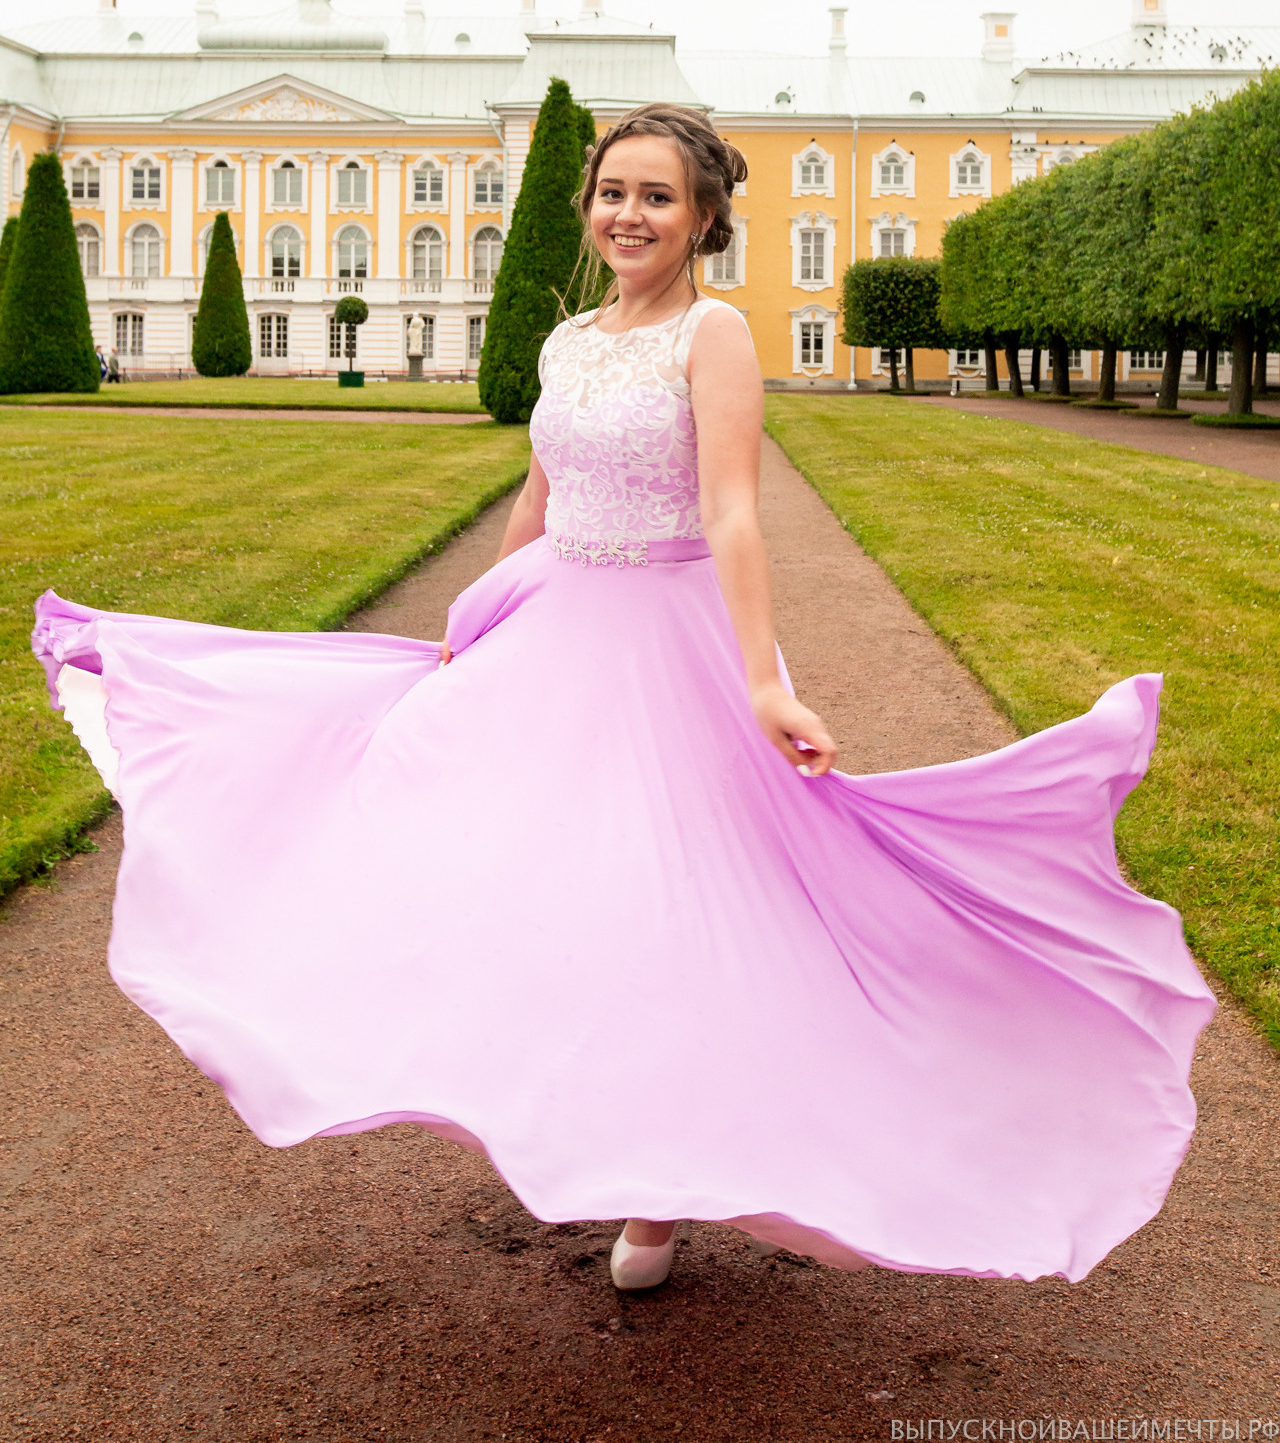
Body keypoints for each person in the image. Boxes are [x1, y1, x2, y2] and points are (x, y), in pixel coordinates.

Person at [33, 102, 1213, 1296]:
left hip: (668, 643)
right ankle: (545, 1099)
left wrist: (760, 679)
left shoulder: (712, 334)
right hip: (552, 632)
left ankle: (656, 1194)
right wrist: (476, 613)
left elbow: (733, 513)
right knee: (493, 868)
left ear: (701, 215)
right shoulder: (564, 341)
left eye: (656, 196)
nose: (628, 214)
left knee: (671, 907)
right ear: (587, 207)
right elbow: (536, 500)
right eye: (612, 193)